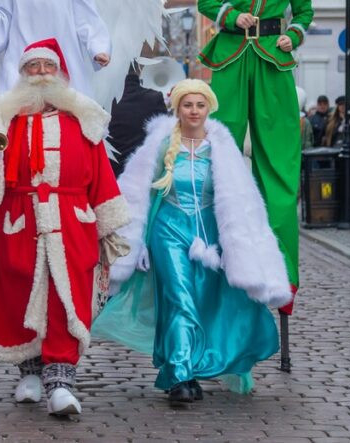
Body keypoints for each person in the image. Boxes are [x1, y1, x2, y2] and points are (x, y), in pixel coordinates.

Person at [0, 39, 129, 416]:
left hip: (71, 221)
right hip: (20, 220)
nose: (40, 73)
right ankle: (31, 372)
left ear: (60, 73)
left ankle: (61, 380)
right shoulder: (2, 116)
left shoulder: (83, 118)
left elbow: (101, 175)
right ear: (21, 74)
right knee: (20, 292)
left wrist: (109, 229)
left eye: (46, 67)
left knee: (64, 296)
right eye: (32, 67)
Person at [94, 79, 290, 401]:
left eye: (200, 105)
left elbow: (243, 201)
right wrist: (137, 241)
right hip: (168, 229)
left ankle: (193, 367)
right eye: (188, 105)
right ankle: (179, 375)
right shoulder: (158, 144)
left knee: (205, 300)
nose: (194, 111)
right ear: (177, 108)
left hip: (208, 234)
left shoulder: (223, 149)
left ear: (208, 108)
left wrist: (241, 244)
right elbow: (136, 191)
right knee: (178, 297)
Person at [196, 0, 314, 310]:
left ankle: (284, 275)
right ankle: (210, 254)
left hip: (271, 60)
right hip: (232, 57)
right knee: (221, 145)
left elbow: (304, 9)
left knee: (280, 159)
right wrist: (231, 16)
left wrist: (293, 35)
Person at [107, 62, 168, 176]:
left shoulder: (105, 99)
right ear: (138, 71)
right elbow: (165, 137)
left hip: (110, 174)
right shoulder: (154, 98)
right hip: (141, 174)